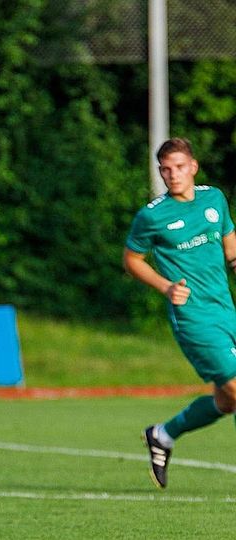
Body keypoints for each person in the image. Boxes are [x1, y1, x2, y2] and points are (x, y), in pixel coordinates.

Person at [124, 138, 236, 489]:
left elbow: (229, 238)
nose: (172, 174)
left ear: (193, 167)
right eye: (165, 169)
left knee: (226, 400)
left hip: (226, 310)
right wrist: (165, 287)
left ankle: (163, 435)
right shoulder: (152, 215)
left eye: (178, 167)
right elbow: (131, 259)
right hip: (193, 318)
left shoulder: (213, 199)